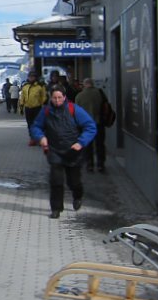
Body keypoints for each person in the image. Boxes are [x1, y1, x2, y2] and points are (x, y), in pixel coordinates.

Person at [30, 85, 97, 218]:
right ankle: (56, 209)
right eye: (54, 98)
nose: (57, 100)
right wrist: (40, 137)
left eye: (60, 97)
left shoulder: (74, 109)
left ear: (65, 97)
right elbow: (35, 126)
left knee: (74, 181)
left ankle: (77, 196)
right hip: (54, 150)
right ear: (50, 98)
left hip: (73, 151)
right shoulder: (46, 111)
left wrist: (81, 142)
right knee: (56, 181)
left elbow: (90, 127)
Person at [74, 78, 107, 173]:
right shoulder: (99, 93)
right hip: (98, 122)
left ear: (84, 85)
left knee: (88, 145)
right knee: (100, 144)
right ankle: (100, 164)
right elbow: (105, 106)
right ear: (92, 84)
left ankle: (89, 164)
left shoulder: (79, 96)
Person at [19, 71, 48, 145]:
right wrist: (21, 106)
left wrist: (41, 104)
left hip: (37, 108)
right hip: (28, 108)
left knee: (38, 124)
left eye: (33, 77)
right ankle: (32, 138)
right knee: (30, 124)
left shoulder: (40, 86)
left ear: (35, 78)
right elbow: (22, 97)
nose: (31, 78)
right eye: (30, 77)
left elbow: (44, 97)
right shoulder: (25, 86)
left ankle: (39, 138)